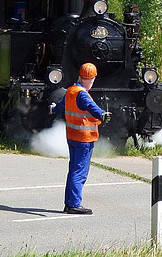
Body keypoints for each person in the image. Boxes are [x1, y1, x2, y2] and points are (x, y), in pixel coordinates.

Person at [51, 62, 111, 215]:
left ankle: (69, 203)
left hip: (72, 136)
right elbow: (91, 106)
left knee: (73, 171)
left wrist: (52, 108)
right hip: (84, 139)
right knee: (80, 172)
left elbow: (59, 108)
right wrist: (102, 114)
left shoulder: (71, 91)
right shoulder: (82, 94)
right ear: (91, 79)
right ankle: (74, 204)